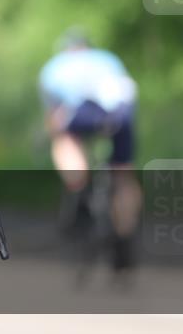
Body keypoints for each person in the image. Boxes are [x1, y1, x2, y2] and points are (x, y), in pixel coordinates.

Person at [39, 29, 142, 274]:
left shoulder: (54, 67)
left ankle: (79, 185)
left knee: (63, 139)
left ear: (66, 49)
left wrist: (49, 137)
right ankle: (125, 234)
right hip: (121, 112)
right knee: (123, 174)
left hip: (85, 109)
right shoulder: (109, 59)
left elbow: (55, 117)